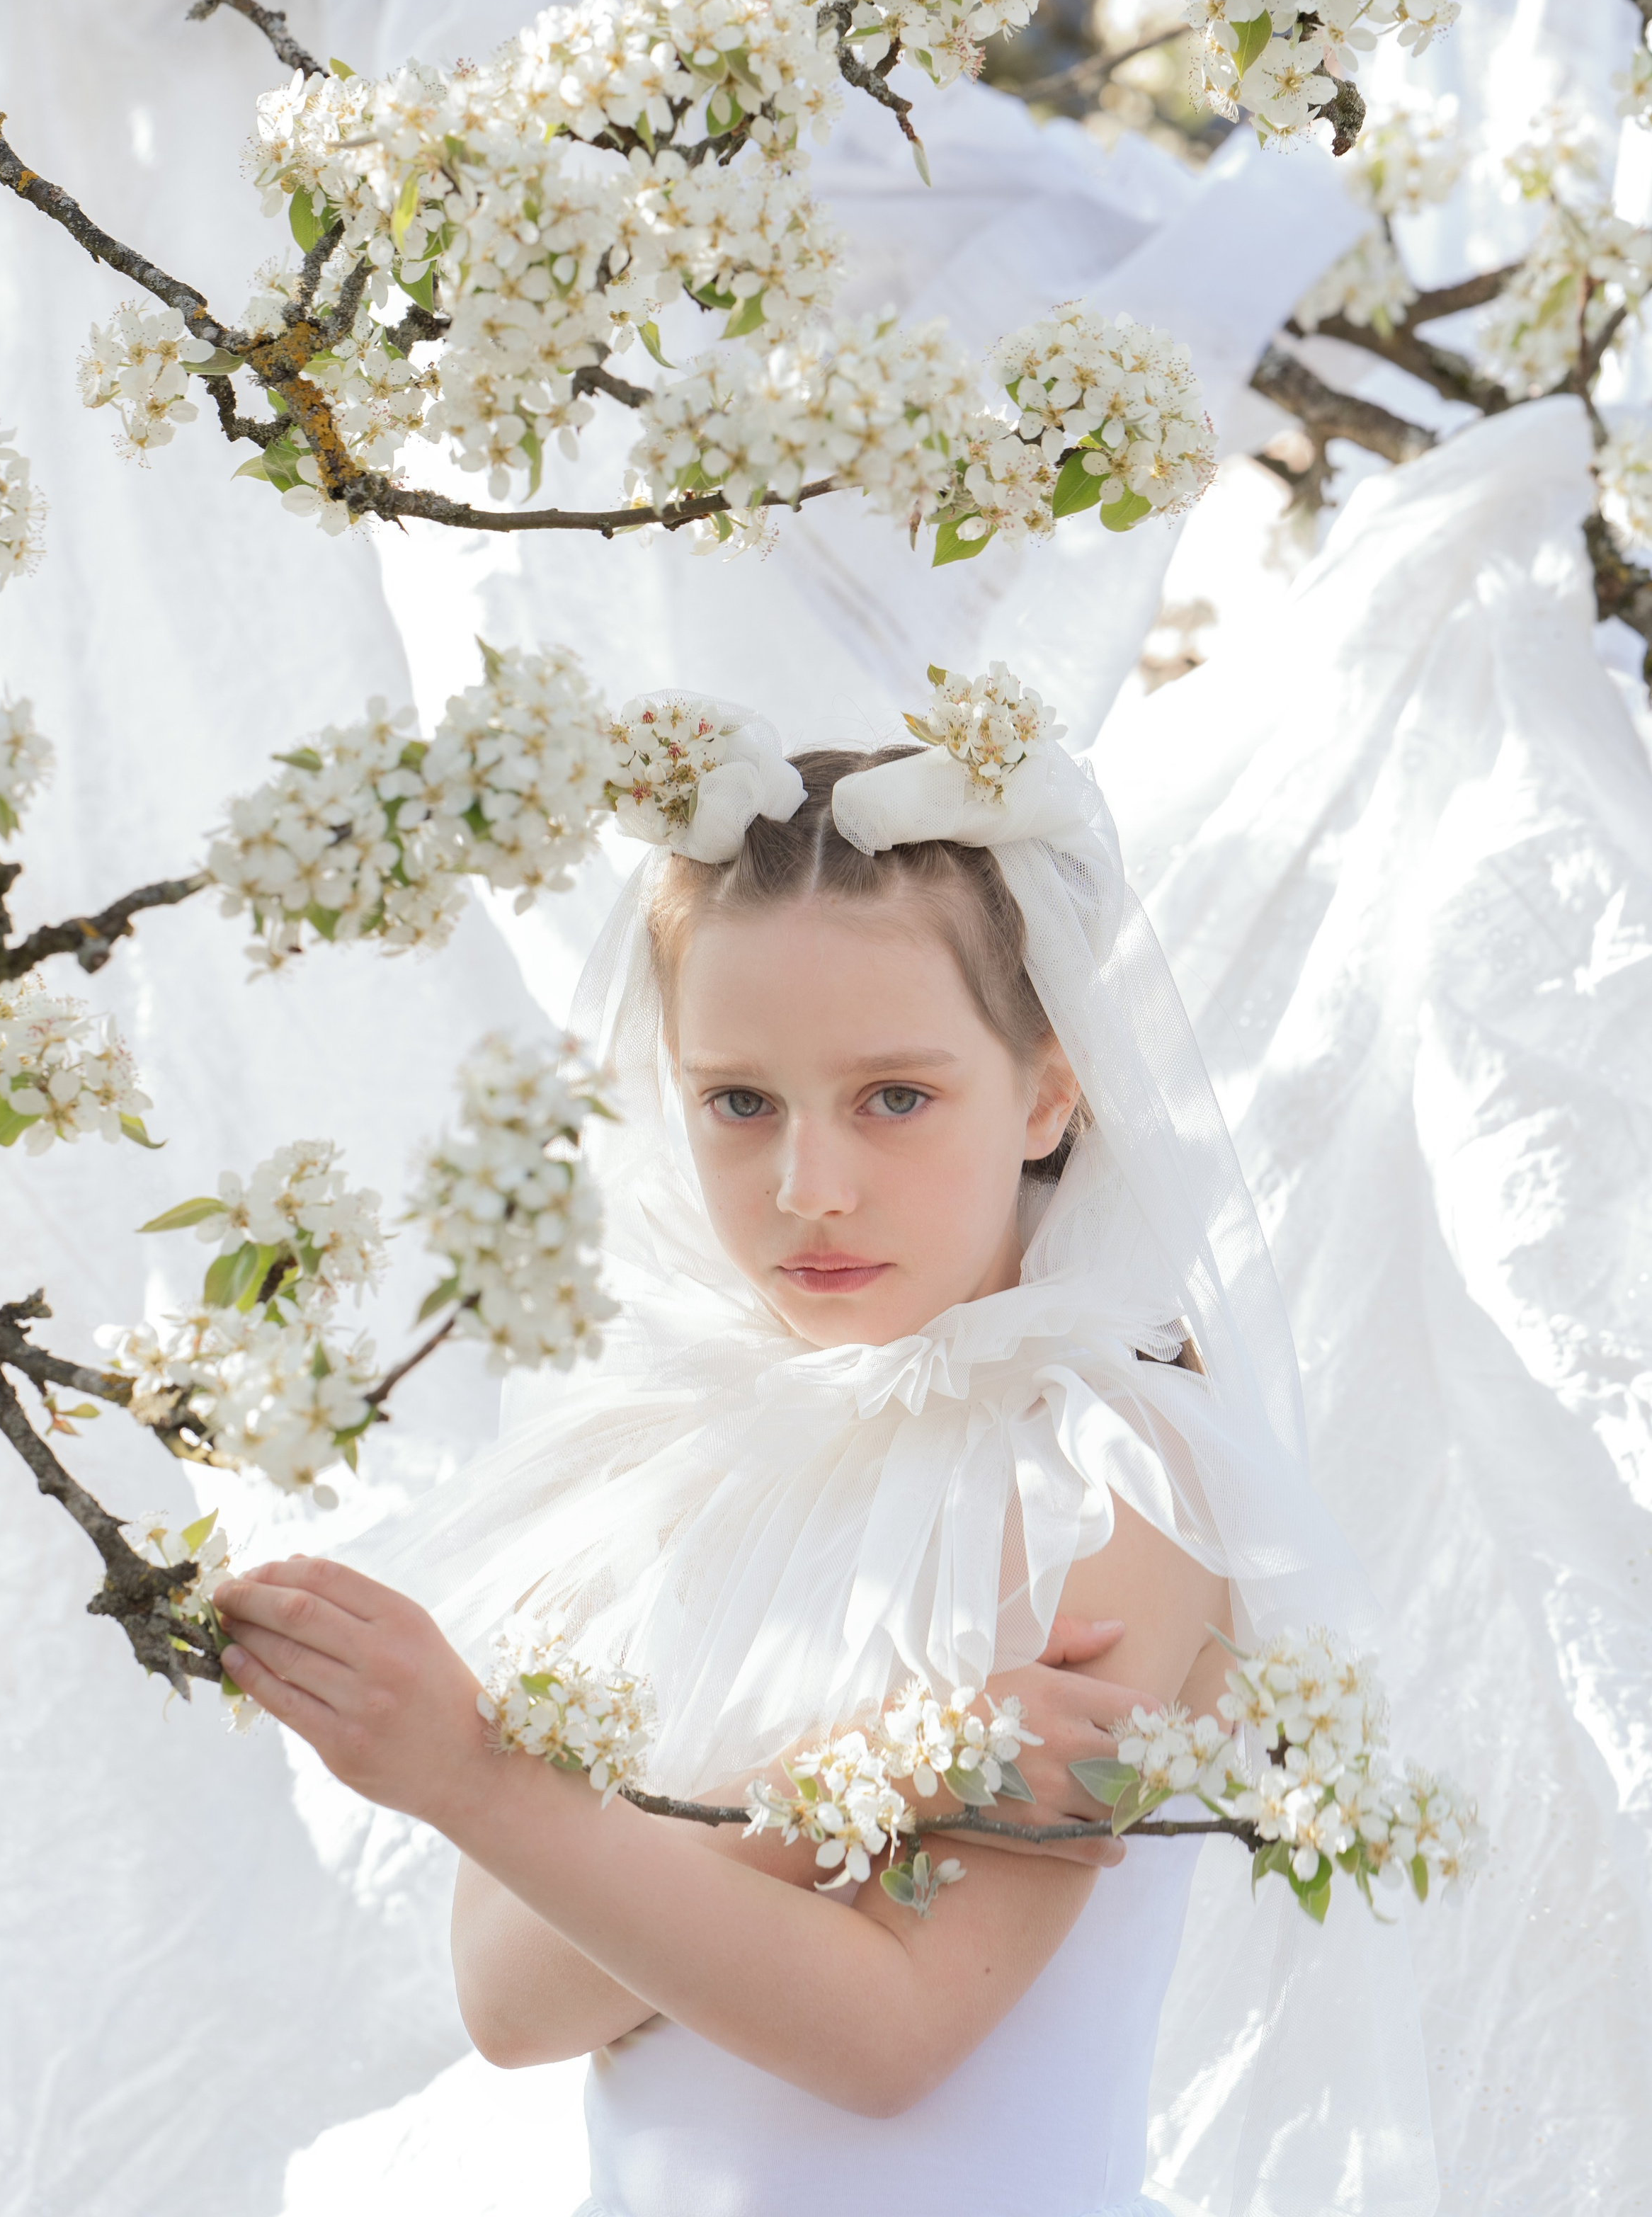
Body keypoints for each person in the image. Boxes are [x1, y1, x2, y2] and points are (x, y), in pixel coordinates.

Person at [212, 688, 1425, 2216]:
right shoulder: (662, 1465)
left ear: (1049, 1089)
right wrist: (893, 1763)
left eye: (894, 1097)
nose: (809, 1186)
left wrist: (478, 1776)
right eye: (739, 1101)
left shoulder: (1108, 1474)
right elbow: (513, 2005)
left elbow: (886, 2035)